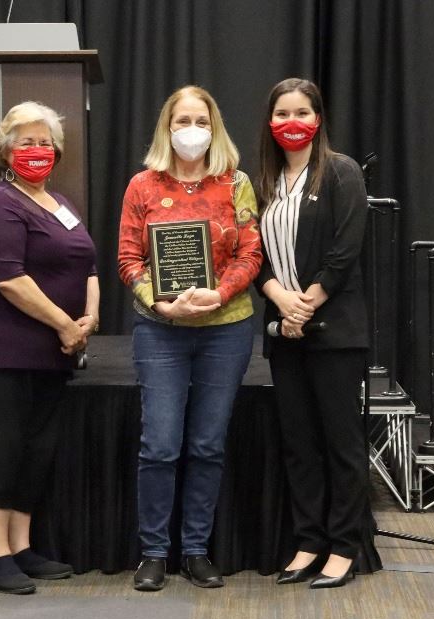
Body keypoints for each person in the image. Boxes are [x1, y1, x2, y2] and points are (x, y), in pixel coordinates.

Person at [0, 101, 99, 595]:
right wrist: (65, 324)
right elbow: (9, 279)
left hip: (50, 351)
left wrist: (89, 317)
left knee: (34, 450)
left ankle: (22, 547)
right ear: (6, 152)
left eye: (45, 142)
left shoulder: (62, 204)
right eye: (26, 142)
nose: (37, 150)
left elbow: (89, 266)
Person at [117, 86, 262, 591]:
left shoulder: (236, 182)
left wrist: (219, 293)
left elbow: (251, 253)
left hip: (226, 330)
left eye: (202, 120)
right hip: (161, 331)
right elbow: (128, 258)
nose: (192, 130)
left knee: (207, 445)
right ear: (167, 126)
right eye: (183, 120)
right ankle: (154, 553)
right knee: (159, 445)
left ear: (214, 127)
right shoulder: (142, 185)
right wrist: (159, 302)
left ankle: (196, 550)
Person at [254, 77, 374, 589]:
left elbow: (346, 249)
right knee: (299, 445)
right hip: (285, 332)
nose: (292, 122)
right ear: (270, 122)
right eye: (282, 113)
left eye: (301, 112)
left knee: (341, 444)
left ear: (318, 118)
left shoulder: (342, 171)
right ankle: (308, 541)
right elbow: (253, 254)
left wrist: (306, 302)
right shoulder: (265, 181)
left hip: (334, 333)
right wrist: (280, 300)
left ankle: (344, 547)